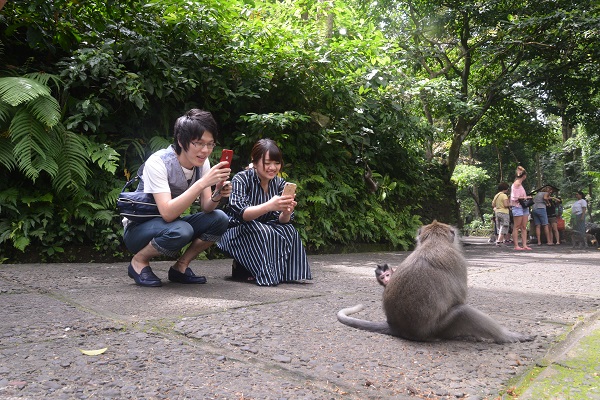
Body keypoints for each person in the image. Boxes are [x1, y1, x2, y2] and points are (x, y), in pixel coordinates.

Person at [122, 109, 232, 287]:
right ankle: (138, 261)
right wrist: (203, 182)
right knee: (182, 229)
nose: (205, 150)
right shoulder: (158, 162)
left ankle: (180, 267)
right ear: (181, 141)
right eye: (198, 143)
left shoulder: (202, 163)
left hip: (172, 225)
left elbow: (206, 207)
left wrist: (218, 191)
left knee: (220, 218)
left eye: (210, 144)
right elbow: (167, 213)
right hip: (139, 230)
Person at [217, 139, 312, 286]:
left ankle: (281, 274)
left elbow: (281, 221)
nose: (273, 168)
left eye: (277, 163)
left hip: (265, 229)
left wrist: (286, 212)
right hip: (236, 231)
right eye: (267, 163)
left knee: (289, 230)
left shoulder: (280, 183)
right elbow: (242, 214)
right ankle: (260, 272)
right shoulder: (241, 179)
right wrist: (269, 205)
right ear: (254, 163)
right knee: (263, 230)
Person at [510, 166, 532, 250]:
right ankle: (516, 245)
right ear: (524, 176)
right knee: (517, 226)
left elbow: (521, 196)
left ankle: (524, 245)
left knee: (524, 226)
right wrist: (525, 198)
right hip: (517, 206)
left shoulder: (521, 185)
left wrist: (526, 197)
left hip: (524, 206)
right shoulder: (516, 184)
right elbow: (514, 197)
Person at [492, 182, 510, 246]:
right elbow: (505, 205)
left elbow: (493, 204)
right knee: (504, 226)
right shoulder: (504, 195)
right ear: (505, 189)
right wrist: (510, 204)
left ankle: (500, 241)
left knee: (499, 227)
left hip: (497, 212)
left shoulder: (496, 195)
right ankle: (499, 241)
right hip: (504, 212)